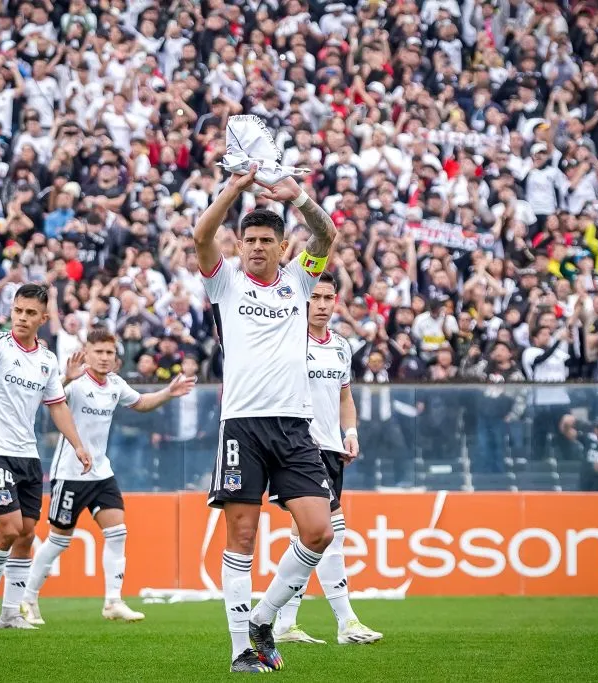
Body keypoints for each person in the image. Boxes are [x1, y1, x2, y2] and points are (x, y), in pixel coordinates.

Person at [195, 165, 337, 673]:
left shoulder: (300, 280)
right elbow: (201, 236)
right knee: (242, 537)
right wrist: (233, 188)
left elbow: (326, 234)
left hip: (295, 425)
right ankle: (240, 651)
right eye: (249, 240)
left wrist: (299, 198)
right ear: (239, 246)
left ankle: (263, 618)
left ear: (283, 247)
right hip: (242, 425)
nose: (256, 247)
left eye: (265, 241)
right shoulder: (225, 283)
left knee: (319, 531)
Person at [20, 329, 196, 625]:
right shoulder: (75, 383)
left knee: (117, 533)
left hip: (101, 473)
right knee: (59, 541)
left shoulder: (115, 384)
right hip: (70, 474)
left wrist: (168, 392)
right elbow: (42, 401)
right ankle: (27, 598)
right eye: (98, 352)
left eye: (109, 353)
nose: (104, 358)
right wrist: (65, 379)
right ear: (87, 353)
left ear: (116, 357)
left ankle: (113, 601)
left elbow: (141, 403)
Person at [0, 283, 92, 630]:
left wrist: (77, 444)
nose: (22, 317)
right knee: (9, 527)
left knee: (27, 533)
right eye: (18, 310)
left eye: (30, 313)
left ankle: (11, 612)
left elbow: (57, 405)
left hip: (27, 454)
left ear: (43, 319)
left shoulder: (46, 360)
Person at [272, 272, 383, 645]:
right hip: (299, 449)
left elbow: (344, 396)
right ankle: (346, 622)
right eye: (315, 297)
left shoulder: (340, 346)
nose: (321, 305)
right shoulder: (286, 341)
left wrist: (350, 433)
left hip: (331, 450)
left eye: (328, 298)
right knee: (333, 531)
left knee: (307, 538)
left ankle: (283, 623)